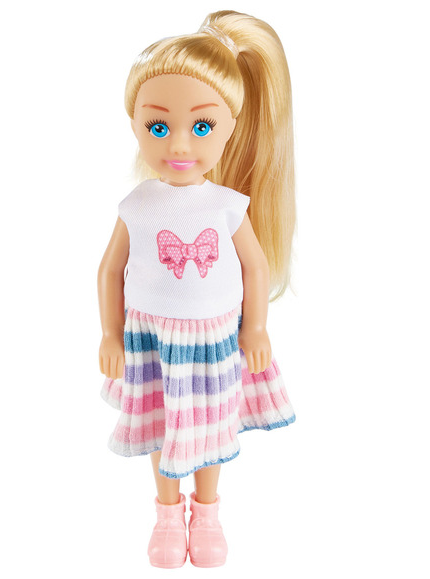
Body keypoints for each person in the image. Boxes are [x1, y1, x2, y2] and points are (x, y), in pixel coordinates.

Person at [97, 10, 296, 568]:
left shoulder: (228, 205)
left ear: (231, 126)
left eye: (202, 126)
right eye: (158, 127)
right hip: (151, 338)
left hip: (214, 337)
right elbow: (109, 271)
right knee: (161, 423)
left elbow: (254, 267)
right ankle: (167, 512)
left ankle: (206, 512)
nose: (179, 143)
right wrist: (110, 333)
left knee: (211, 425)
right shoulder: (136, 205)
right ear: (135, 125)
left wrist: (255, 327)